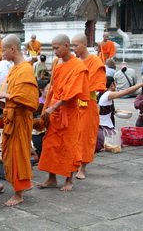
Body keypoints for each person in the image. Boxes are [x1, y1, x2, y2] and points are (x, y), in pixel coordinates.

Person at [37, 34, 89, 191]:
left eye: (56, 48)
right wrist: (46, 109)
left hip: (69, 112)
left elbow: (72, 93)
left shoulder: (78, 67)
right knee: (50, 145)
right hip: (54, 112)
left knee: (68, 146)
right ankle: (51, 178)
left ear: (66, 46)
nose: (54, 51)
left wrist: (53, 107)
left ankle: (68, 180)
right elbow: (52, 89)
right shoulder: (58, 65)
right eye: (52, 48)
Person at [0, 34, 39, 206]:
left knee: (17, 155)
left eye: (4, 49)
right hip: (11, 118)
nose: (2, 53)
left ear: (13, 49)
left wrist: (5, 95)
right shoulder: (15, 68)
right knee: (10, 154)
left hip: (20, 120)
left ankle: (18, 194)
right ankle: (21, 185)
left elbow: (31, 100)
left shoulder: (25, 69)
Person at [71, 33, 106, 180]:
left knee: (85, 137)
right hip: (73, 104)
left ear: (84, 45)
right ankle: (74, 162)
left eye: (76, 45)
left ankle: (83, 167)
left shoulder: (95, 61)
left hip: (87, 104)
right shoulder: (74, 61)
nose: (73, 49)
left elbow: (95, 86)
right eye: (72, 45)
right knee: (74, 136)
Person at [97, 77, 143, 151]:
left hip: (100, 126)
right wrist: (141, 84)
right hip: (104, 127)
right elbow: (127, 91)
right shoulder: (108, 94)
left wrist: (113, 111)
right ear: (112, 84)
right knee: (117, 144)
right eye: (115, 83)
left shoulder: (100, 93)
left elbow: (100, 110)